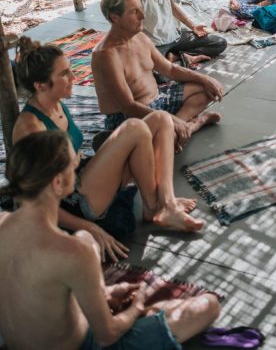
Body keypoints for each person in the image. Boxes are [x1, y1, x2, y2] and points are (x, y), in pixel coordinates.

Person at [0, 131, 220, 350]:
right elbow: (107, 335)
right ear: (57, 182)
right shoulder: (74, 250)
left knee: (88, 248)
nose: (78, 163)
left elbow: (41, 293)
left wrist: (107, 294)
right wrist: (137, 306)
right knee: (207, 305)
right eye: (73, 164)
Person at [12, 36, 202, 250]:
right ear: (40, 86)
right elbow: (36, 202)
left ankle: (163, 203)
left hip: (85, 177)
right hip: (73, 201)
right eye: (64, 73)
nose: (73, 77)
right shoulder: (30, 128)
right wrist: (89, 227)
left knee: (161, 119)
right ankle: (158, 206)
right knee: (134, 128)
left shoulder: (57, 104)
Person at [92, 0, 224, 150]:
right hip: (131, 117)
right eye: (134, 12)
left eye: (141, 9)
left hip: (159, 100)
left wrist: (205, 78)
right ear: (115, 17)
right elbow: (128, 107)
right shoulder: (105, 55)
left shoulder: (140, 37)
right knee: (145, 148)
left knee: (206, 89)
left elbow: (169, 69)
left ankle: (176, 131)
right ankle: (191, 125)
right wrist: (170, 120)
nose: (143, 15)